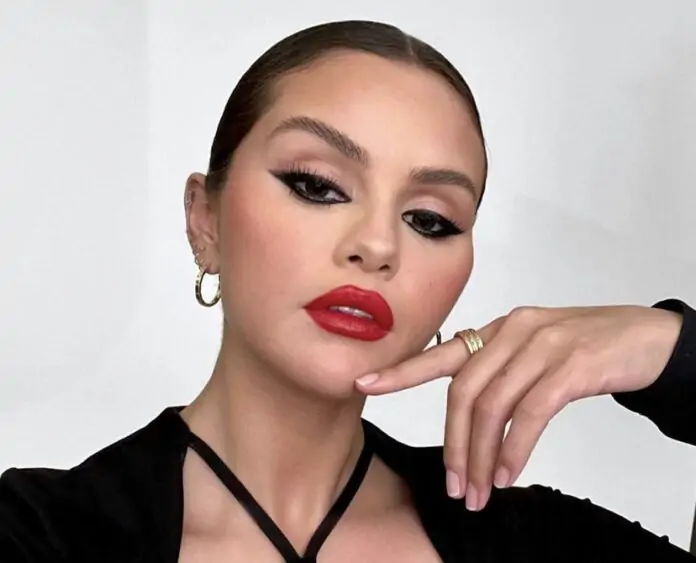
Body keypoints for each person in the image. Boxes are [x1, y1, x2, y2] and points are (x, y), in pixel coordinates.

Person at [1, 19, 695, 563]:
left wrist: (675, 352)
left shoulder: (541, 545)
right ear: (205, 219)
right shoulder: (38, 532)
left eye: (430, 220)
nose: (379, 245)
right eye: (317, 185)